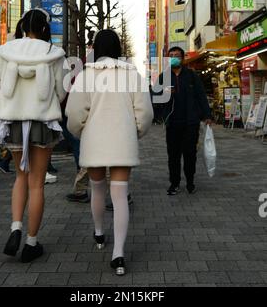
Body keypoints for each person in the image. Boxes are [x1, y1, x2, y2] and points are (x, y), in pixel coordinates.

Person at [66, 29, 153, 275]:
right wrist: (135, 131)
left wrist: (80, 132)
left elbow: (74, 113)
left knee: (96, 189)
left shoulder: (85, 75)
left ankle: (99, 233)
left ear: (96, 49)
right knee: (120, 195)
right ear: (118, 49)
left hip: (94, 140)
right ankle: (119, 254)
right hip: (122, 141)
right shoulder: (132, 74)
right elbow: (145, 113)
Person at [0, 8, 66, 263]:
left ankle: (15, 228)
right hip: (42, 120)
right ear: (45, 28)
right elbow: (60, 90)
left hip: (13, 119)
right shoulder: (53, 54)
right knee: (37, 182)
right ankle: (32, 243)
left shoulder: (6, 51)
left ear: (22, 26)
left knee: (20, 178)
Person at [153, 46, 212, 196]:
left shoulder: (192, 76)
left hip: (191, 122)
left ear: (182, 58)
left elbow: (201, 96)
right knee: (173, 155)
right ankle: (174, 183)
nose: (174, 58)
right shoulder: (163, 77)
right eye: (171, 55)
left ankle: (190, 182)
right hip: (172, 123)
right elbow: (155, 97)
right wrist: (165, 97)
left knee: (190, 154)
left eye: (177, 55)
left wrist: (207, 115)